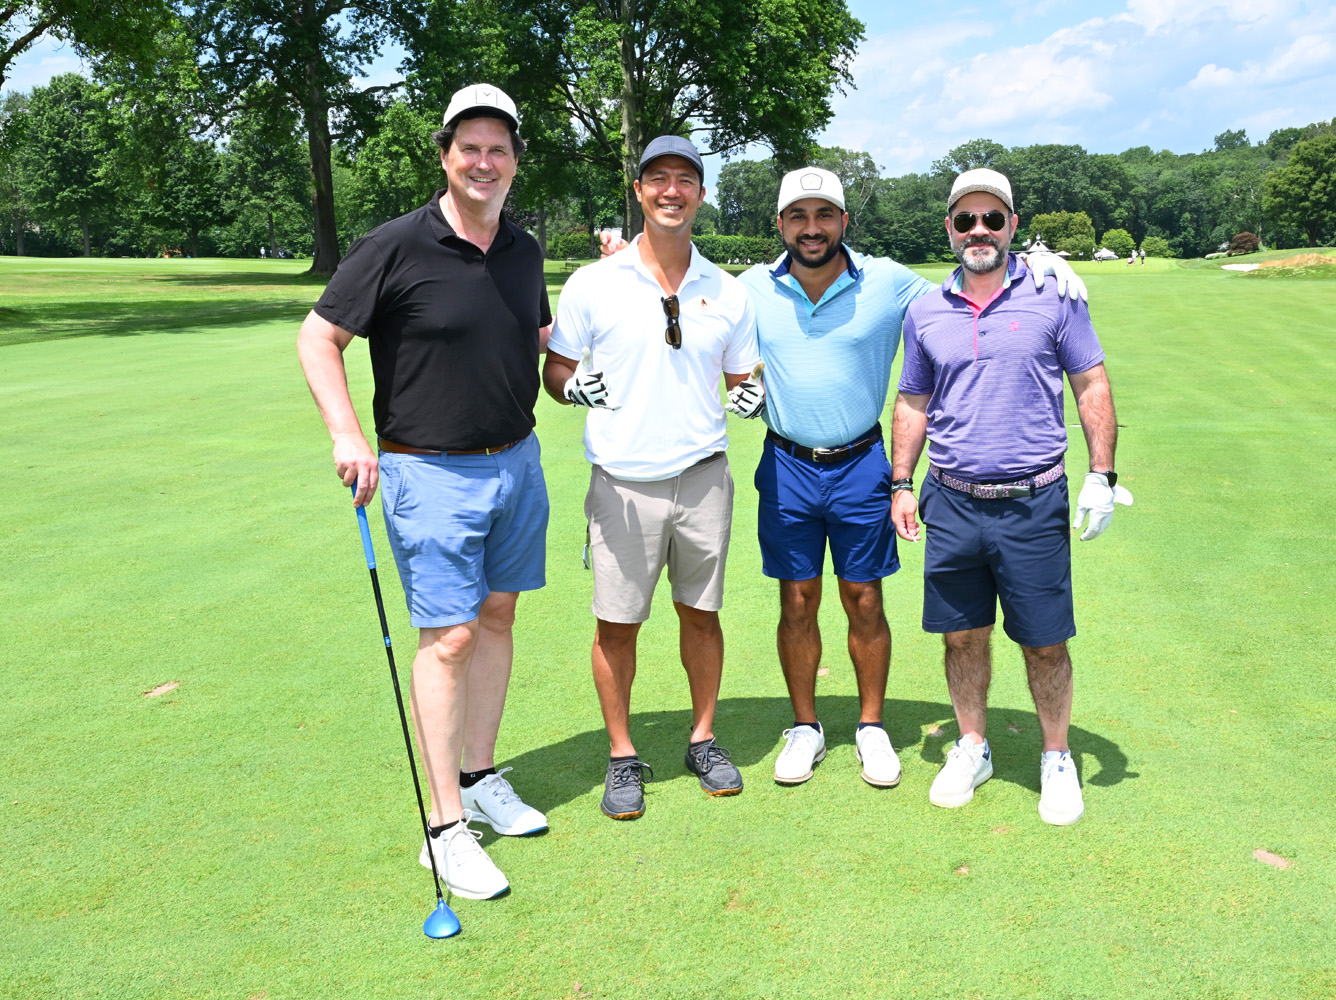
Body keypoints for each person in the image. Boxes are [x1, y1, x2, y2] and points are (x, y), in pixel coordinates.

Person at [735, 167, 1087, 790]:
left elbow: (971, 284)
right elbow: (699, 323)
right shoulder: (749, 288)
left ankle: (871, 727)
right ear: (781, 224)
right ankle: (805, 727)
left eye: (824, 215)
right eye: (799, 216)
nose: (812, 228)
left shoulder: (888, 280)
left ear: (844, 222)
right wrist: (741, 385)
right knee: (797, 599)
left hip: (860, 460)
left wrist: (1037, 261)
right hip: (786, 461)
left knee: (864, 597)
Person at [297, 84, 551, 902]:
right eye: (468, 147)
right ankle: (443, 829)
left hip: (517, 462)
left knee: (499, 616)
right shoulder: (395, 243)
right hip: (428, 470)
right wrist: (346, 433)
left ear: (515, 161)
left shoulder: (523, 249)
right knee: (449, 639)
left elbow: (534, 336)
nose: (484, 162)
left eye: (498, 149)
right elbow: (319, 337)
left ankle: (478, 777)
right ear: (445, 156)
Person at [890, 168, 1133, 824]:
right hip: (952, 500)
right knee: (962, 637)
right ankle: (973, 746)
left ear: (1012, 227)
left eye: (992, 219)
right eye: (966, 220)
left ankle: (1057, 756)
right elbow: (913, 401)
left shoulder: (1055, 296)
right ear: (950, 228)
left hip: (1032, 501)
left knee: (1045, 642)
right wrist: (902, 484)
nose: (979, 230)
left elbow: (1091, 384)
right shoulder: (925, 309)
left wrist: (1102, 475)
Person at [543, 135, 761, 821]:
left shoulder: (727, 290)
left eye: (685, 180)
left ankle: (702, 739)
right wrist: (572, 388)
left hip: (703, 477)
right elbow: (556, 369)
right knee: (617, 625)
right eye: (658, 179)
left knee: (702, 614)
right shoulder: (593, 283)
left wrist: (751, 394)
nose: (672, 191)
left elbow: (740, 377)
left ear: (701, 194)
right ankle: (621, 753)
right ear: (638, 191)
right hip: (622, 481)